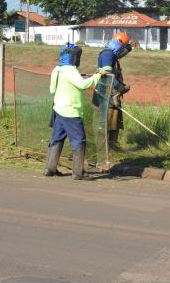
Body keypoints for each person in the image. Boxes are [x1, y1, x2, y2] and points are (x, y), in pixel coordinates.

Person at [45, 43, 103, 180]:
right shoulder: (70, 71)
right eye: (77, 56)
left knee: (57, 139)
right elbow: (82, 85)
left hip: (58, 110)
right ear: (72, 57)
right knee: (79, 140)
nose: (78, 58)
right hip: (71, 112)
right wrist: (97, 76)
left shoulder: (56, 70)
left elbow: (52, 90)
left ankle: (50, 168)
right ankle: (78, 173)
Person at [96, 32, 133, 147]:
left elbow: (120, 54)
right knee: (107, 120)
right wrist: (120, 87)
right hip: (107, 93)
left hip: (112, 92)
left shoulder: (112, 54)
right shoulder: (108, 55)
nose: (123, 52)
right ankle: (103, 147)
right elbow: (107, 75)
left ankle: (112, 145)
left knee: (115, 118)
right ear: (119, 45)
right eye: (123, 49)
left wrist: (129, 48)